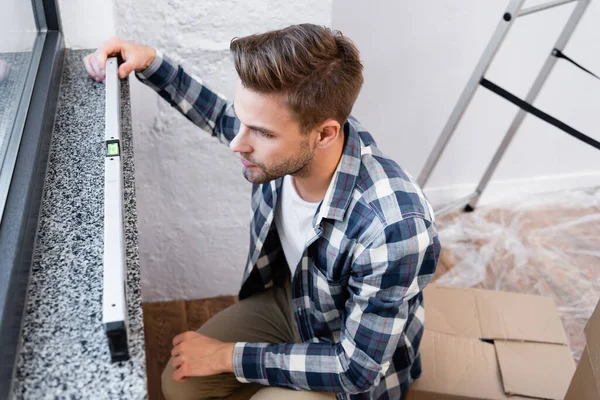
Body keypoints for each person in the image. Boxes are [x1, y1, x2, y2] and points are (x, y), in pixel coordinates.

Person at [84, 24, 440, 400]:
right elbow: (222, 117)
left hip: (346, 355)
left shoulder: (394, 229)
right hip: (298, 302)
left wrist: (228, 356)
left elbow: (356, 370)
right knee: (180, 384)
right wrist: (152, 63)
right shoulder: (295, 140)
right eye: (244, 121)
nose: (238, 143)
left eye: (262, 133)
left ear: (324, 135)